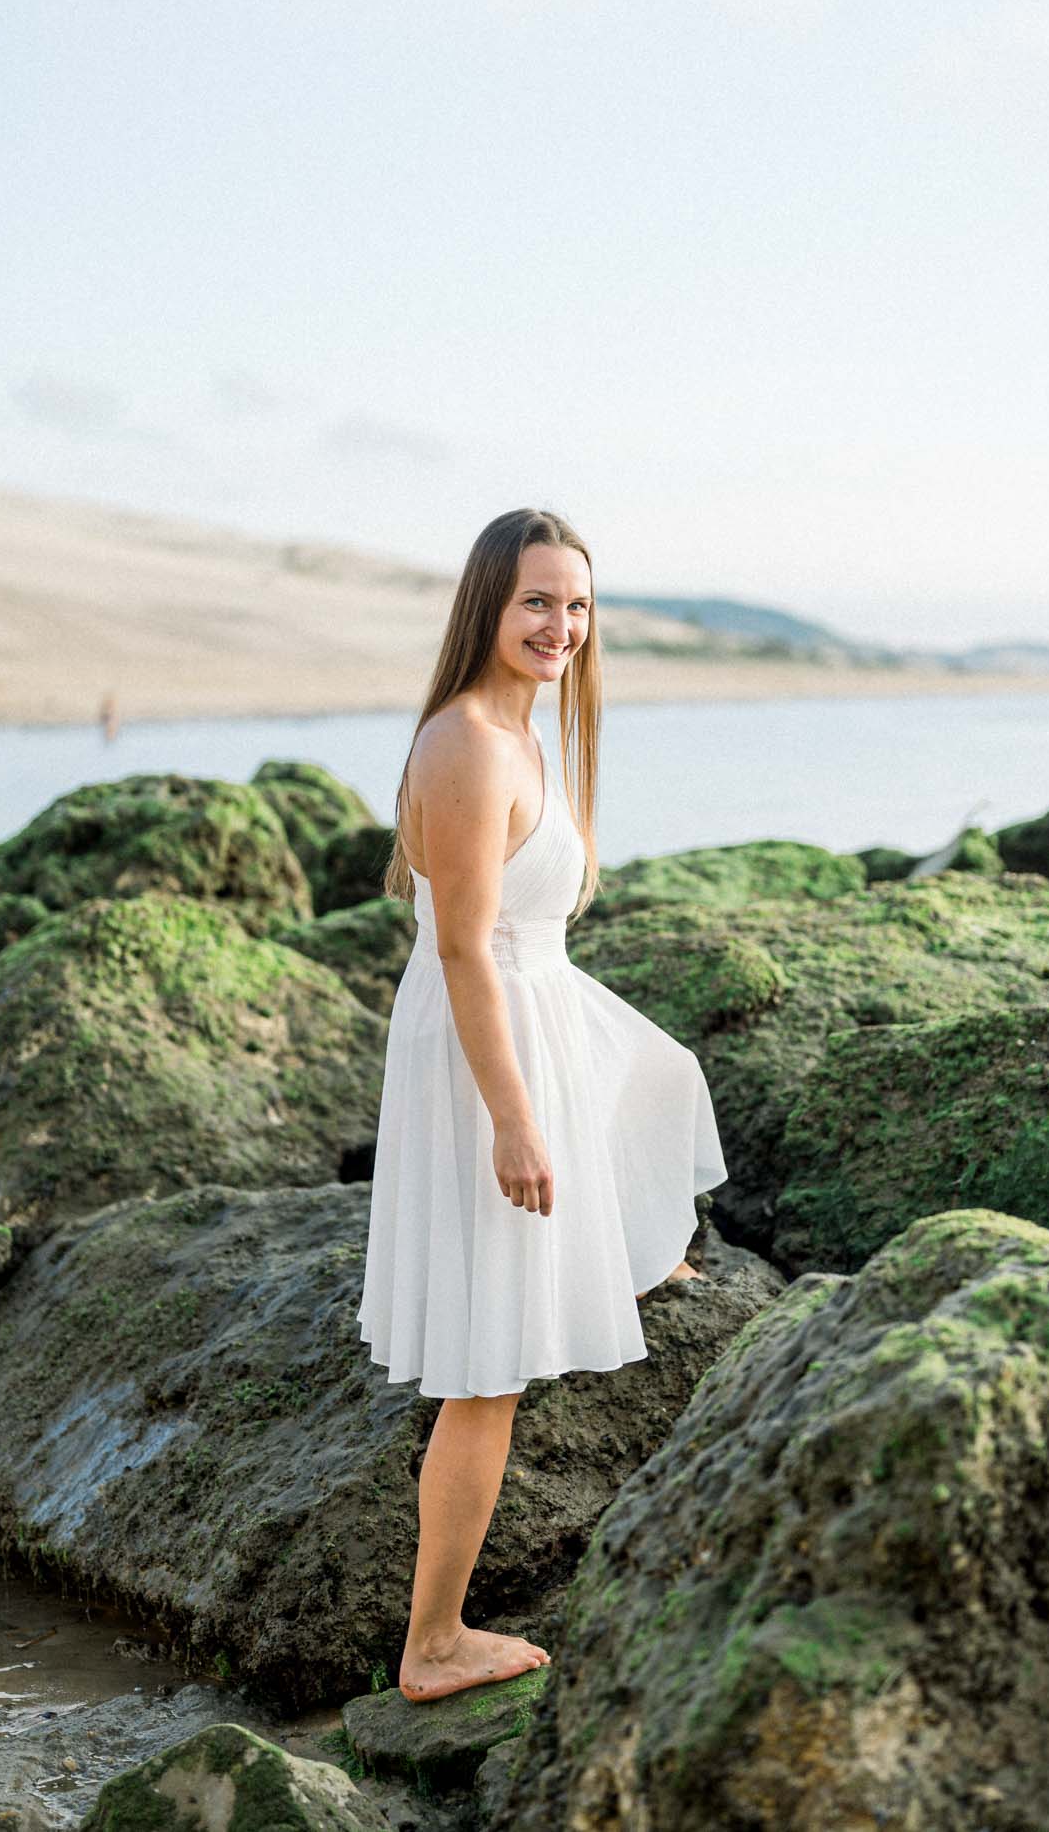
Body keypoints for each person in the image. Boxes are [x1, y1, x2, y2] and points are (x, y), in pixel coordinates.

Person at [358, 508, 728, 1704]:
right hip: (484, 1043)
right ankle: (433, 1641)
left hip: (535, 1007)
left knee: (661, 1073)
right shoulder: (468, 743)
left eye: (576, 605)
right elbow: (465, 952)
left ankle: (622, 1244)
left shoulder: (523, 733)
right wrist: (513, 1119)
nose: (561, 626)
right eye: (537, 603)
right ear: (487, 606)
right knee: (490, 1366)